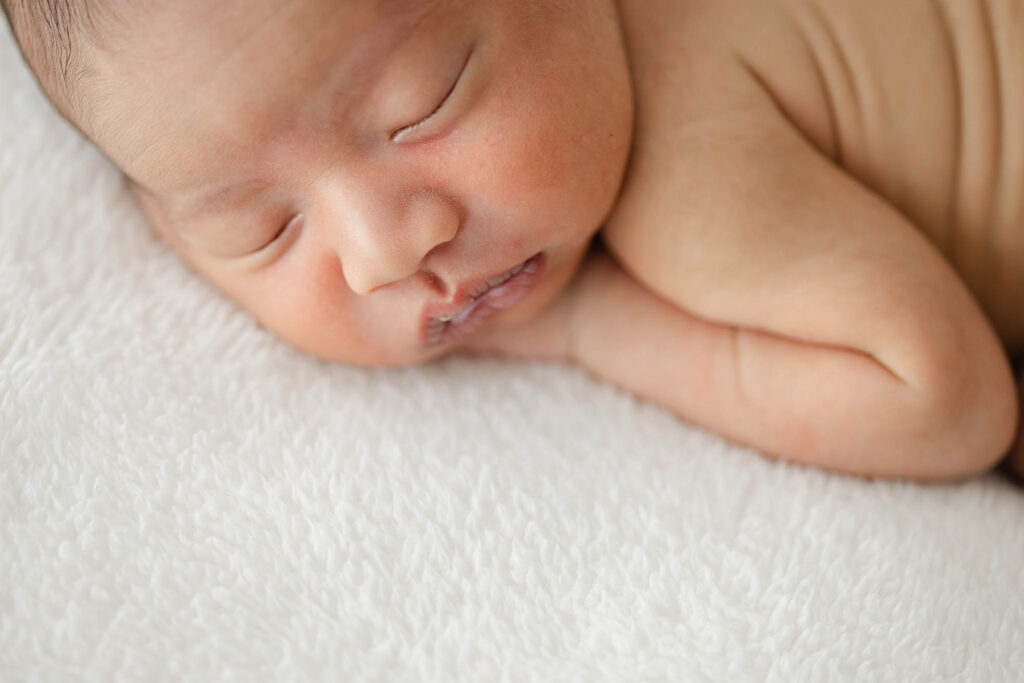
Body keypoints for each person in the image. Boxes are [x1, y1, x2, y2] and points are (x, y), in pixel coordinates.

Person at [4, 0, 1022, 481]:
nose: (383, 254)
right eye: (260, 229)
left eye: (423, 105)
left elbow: (948, 402)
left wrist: (592, 325)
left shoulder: (689, 171)